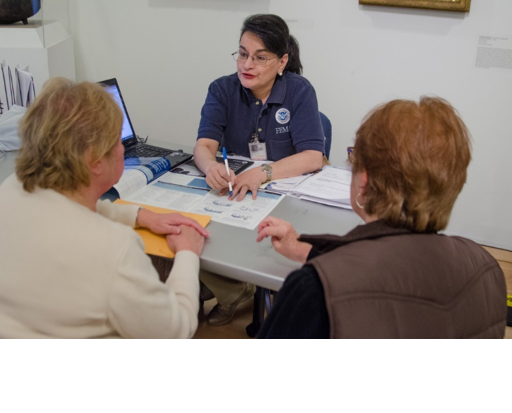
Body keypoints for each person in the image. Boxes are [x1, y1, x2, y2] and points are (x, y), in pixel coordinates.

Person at [257, 96, 507, 338]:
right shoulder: (486, 269)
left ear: (364, 183)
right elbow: (400, 276)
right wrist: (304, 249)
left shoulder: (313, 290)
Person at [0, 78, 209, 339]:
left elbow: (74, 208)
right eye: (117, 140)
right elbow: (175, 329)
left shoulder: (11, 189)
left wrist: (140, 215)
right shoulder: (114, 250)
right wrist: (188, 254)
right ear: (96, 160)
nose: (123, 147)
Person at [194, 14, 325, 326]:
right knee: (193, 236)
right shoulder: (222, 89)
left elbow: (313, 157)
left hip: (284, 200)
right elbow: (203, 146)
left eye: (259, 57)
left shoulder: (299, 91)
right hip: (235, 195)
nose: (246, 65)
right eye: (242, 54)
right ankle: (234, 291)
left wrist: (263, 173)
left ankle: (238, 291)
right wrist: (211, 165)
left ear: (282, 62)